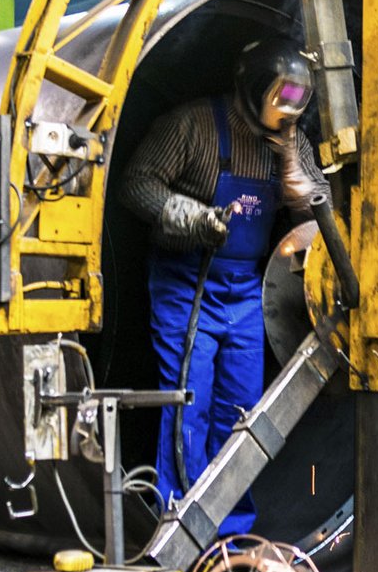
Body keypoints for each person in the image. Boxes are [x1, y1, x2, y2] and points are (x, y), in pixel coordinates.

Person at [120, 39, 329, 535]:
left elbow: (321, 212)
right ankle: (179, 526)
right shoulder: (191, 127)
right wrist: (193, 217)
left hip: (246, 291)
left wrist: (294, 171)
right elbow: (137, 183)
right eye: (282, 97)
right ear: (255, 86)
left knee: (241, 411)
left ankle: (229, 534)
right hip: (186, 282)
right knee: (187, 404)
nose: (289, 110)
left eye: (298, 101)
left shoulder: (292, 142)